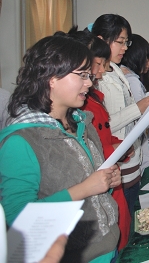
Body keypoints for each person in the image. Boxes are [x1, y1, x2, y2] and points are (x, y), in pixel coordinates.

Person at [0, 34, 120, 263]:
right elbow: (18, 218)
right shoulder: (21, 140)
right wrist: (84, 189)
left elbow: (95, 188)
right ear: (51, 78)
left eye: (89, 75)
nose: (89, 82)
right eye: (81, 75)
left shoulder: (81, 123)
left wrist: (108, 181)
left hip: (109, 246)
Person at [68, 27, 131, 250]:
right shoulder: (26, 135)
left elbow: (100, 136)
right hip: (91, 210)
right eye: (97, 65)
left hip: (109, 186)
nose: (100, 73)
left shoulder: (88, 100)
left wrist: (120, 145)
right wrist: (116, 148)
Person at [91, 14, 149, 218]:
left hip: (133, 162)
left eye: (127, 42)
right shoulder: (96, 78)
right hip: (118, 167)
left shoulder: (117, 69)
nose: (125, 48)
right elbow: (101, 126)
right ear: (101, 40)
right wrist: (138, 108)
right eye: (120, 42)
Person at [121, 34, 149, 173]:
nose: (148, 63)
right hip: (134, 148)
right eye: (146, 58)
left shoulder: (128, 76)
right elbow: (140, 114)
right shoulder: (132, 80)